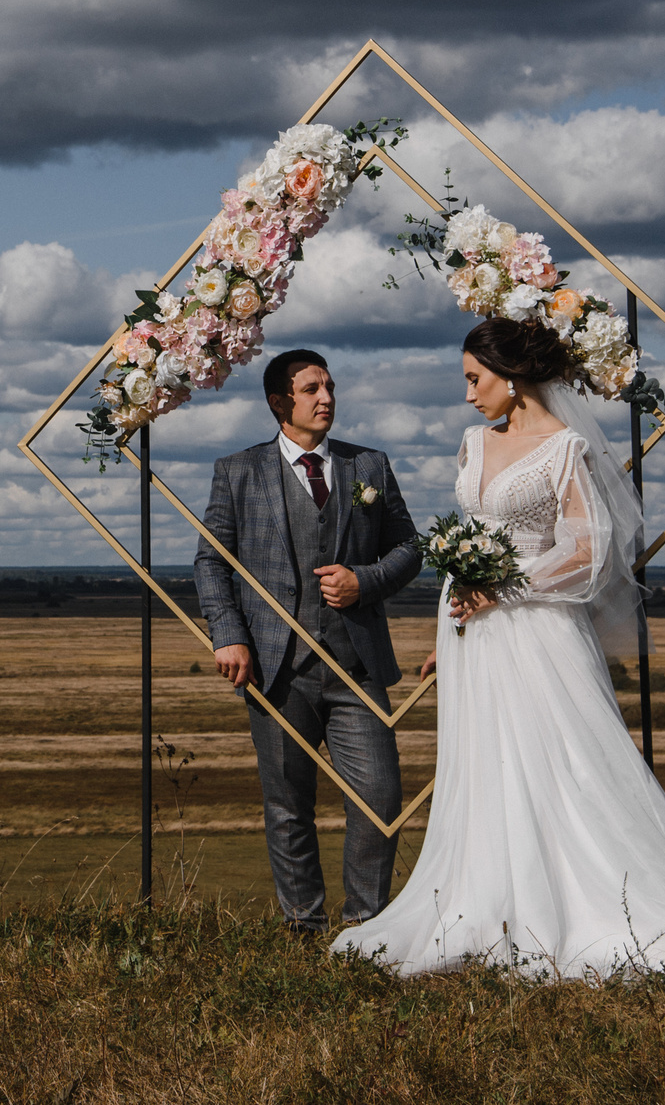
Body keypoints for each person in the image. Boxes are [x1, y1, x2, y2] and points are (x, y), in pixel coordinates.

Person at [333, 316, 665, 978]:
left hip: (537, 631)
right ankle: (485, 896)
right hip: (474, 634)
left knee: (560, 760)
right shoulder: (473, 442)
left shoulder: (565, 450)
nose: (469, 394)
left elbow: (588, 553)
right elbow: (472, 530)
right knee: (486, 763)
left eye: (476, 378)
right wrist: (454, 613)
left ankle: (589, 898)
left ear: (511, 375)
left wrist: (503, 585)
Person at [195, 348, 423, 931]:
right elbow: (211, 563)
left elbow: (409, 548)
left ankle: (366, 931)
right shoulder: (237, 471)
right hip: (276, 671)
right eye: (312, 389)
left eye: (330, 386)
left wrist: (363, 581)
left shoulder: (368, 465)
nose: (327, 398)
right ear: (279, 403)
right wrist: (228, 636)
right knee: (288, 806)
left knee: (379, 800)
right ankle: (303, 929)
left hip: (358, 668)